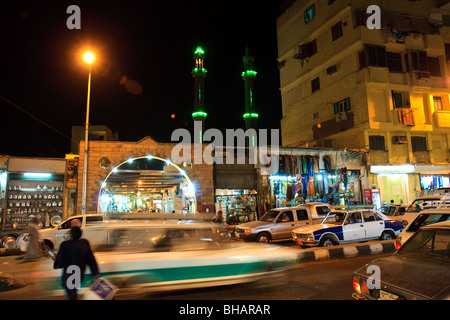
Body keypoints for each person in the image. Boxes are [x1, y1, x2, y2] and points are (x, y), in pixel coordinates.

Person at [53, 226, 100, 300]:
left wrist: (55, 259)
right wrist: (96, 275)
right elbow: (91, 261)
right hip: (79, 275)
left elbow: (60, 263)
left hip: (69, 276)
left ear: (71, 235)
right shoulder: (84, 244)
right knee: (73, 293)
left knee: (71, 295)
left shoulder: (65, 245)